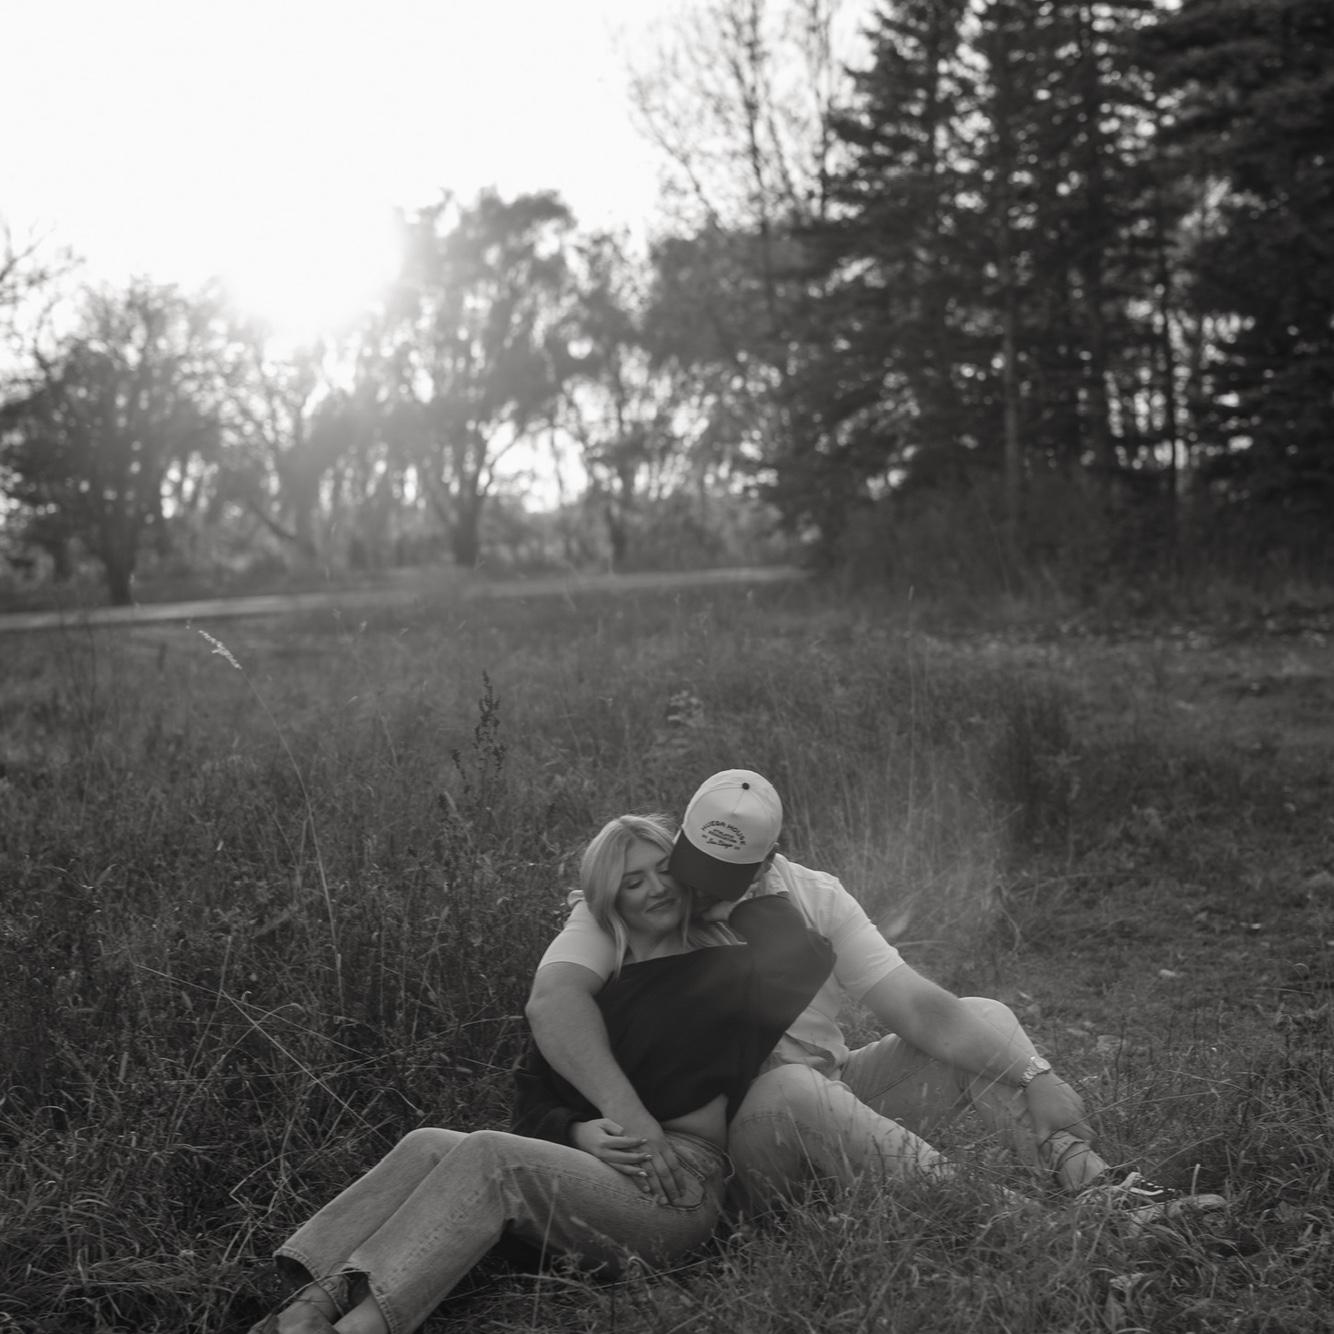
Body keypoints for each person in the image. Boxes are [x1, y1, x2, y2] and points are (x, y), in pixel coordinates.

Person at [527, 769, 1228, 1226]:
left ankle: (1107, 1198)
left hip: (836, 1095)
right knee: (793, 1087)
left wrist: (1033, 1073)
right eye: (694, 865)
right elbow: (554, 1001)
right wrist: (623, 1121)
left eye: (725, 875)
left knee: (985, 1018)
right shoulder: (642, 901)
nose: (698, 888)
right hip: (740, 1142)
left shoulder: (814, 896)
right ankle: (1025, 1226)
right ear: (680, 840)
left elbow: (918, 1008)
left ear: (768, 861)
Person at [246, 812, 834, 1334]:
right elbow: (532, 1097)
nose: (655, 888)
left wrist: (727, 899)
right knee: (428, 1143)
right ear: (610, 898)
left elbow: (805, 961)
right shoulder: (595, 991)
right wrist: (576, 1132)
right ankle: (307, 1307)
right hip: (598, 1174)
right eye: (632, 881)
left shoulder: (730, 969)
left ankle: (365, 1325)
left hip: (678, 1186)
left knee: (489, 1156)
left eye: (664, 870)